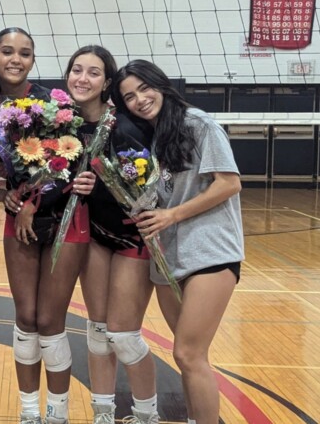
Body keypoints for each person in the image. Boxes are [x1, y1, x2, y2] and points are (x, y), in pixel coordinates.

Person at [112, 59, 244, 424]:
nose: (139, 100)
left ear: (161, 85)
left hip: (210, 252)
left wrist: (172, 215)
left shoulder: (196, 123)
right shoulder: (150, 139)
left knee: (189, 354)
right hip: (169, 256)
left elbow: (229, 183)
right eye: (129, 97)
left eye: (144, 89)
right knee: (186, 356)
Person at [0, 29, 95, 424]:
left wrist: (34, 199)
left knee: (50, 320)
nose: (16, 59)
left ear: (33, 59)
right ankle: (29, 411)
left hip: (66, 218)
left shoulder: (53, 104)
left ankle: (57, 413)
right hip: (21, 218)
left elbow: (71, 161)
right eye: (7, 51)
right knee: (26, 318)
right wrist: (8, 197)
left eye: (25, 53)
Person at [66, 46, 159, 424]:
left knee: (124, 336)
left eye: (93, 73)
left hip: (132, 236)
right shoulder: (63, 124)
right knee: (97, 331)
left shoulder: (125, 125)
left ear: (107, 82)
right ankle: (102, 414)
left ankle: (146, 415)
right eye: (77, 70)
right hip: (95, 234)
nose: (82, 79)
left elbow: (148, 185)